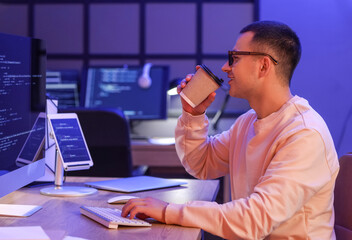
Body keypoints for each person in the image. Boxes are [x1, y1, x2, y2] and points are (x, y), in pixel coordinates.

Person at [122, 21, 339, 239]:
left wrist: (168, 211)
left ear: (263, 66)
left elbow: (254, 220)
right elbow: (202, 163)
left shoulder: (304, 134)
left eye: (234, 58)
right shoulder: (248, 122)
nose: (226, 67)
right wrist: (193, 114)